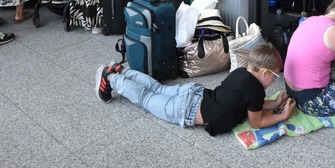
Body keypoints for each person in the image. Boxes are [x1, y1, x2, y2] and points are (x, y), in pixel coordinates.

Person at [95, 43, 296, 135]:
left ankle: (122, 71)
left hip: (193, 93)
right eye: (275, 75)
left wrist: (275, 102)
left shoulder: (241, 71)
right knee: (146, 98)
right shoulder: (256, 90)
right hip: (186, 110)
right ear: (264, 73)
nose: (275, 80)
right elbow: (256, 120)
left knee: (156, 87)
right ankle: (111, 77)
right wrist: (282, 116)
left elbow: (252, 105)